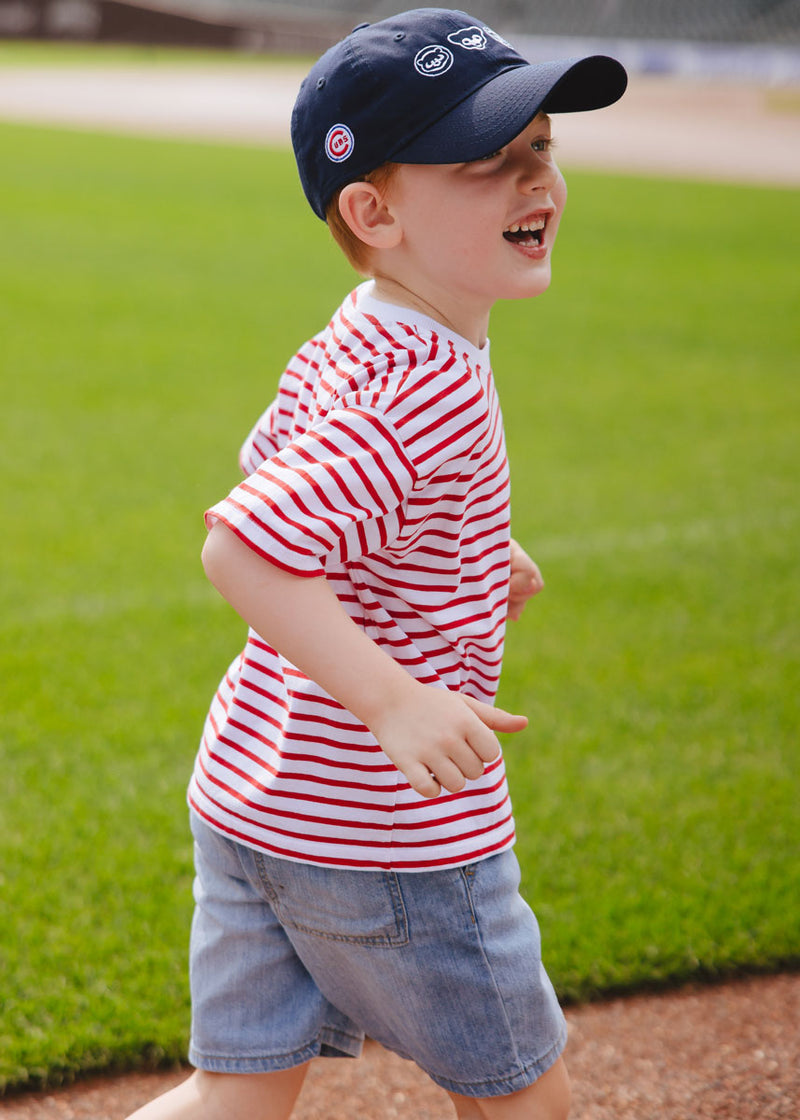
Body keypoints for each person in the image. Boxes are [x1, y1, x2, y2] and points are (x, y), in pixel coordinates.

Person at [127, 9, 626, 1119]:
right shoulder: (427, 386)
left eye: (539, 144)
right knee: (520, 1100)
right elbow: (245, 545)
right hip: (384, 833)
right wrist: (394, 698)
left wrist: (459, 546)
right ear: (372, 210)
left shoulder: (364, 330)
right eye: (488, 161)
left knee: (234, 1097)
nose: (533, 179)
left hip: (254, 797)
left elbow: (289, 480)